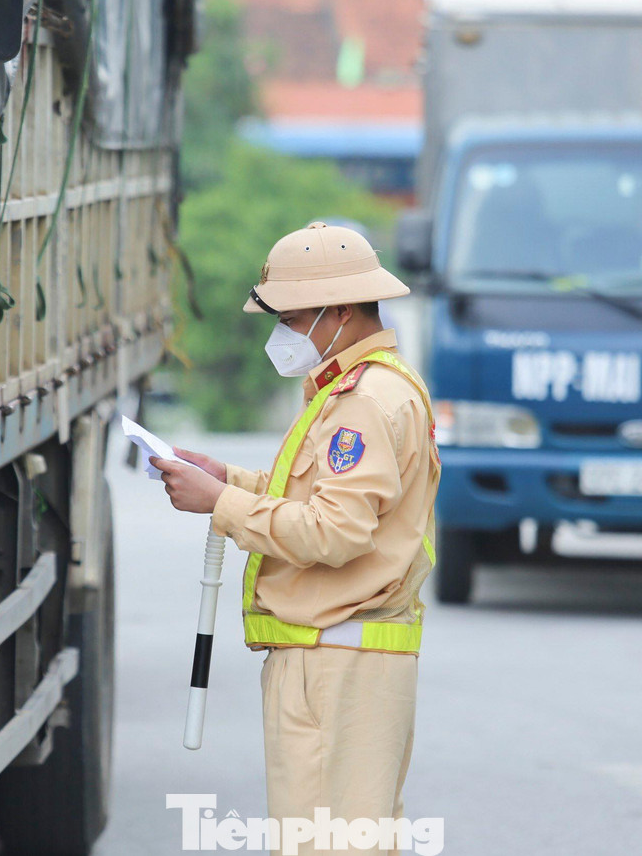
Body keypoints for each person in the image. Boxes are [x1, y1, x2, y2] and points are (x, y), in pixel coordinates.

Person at [152, 221, 441, 856]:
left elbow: (336, 532)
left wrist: (222, 504)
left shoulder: (364, 402)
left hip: (339, 664)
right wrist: (228, 479)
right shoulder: (358, 390)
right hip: (336, 659)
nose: (281, 334)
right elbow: (320, 499)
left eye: (291, 317)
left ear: (340, 311)